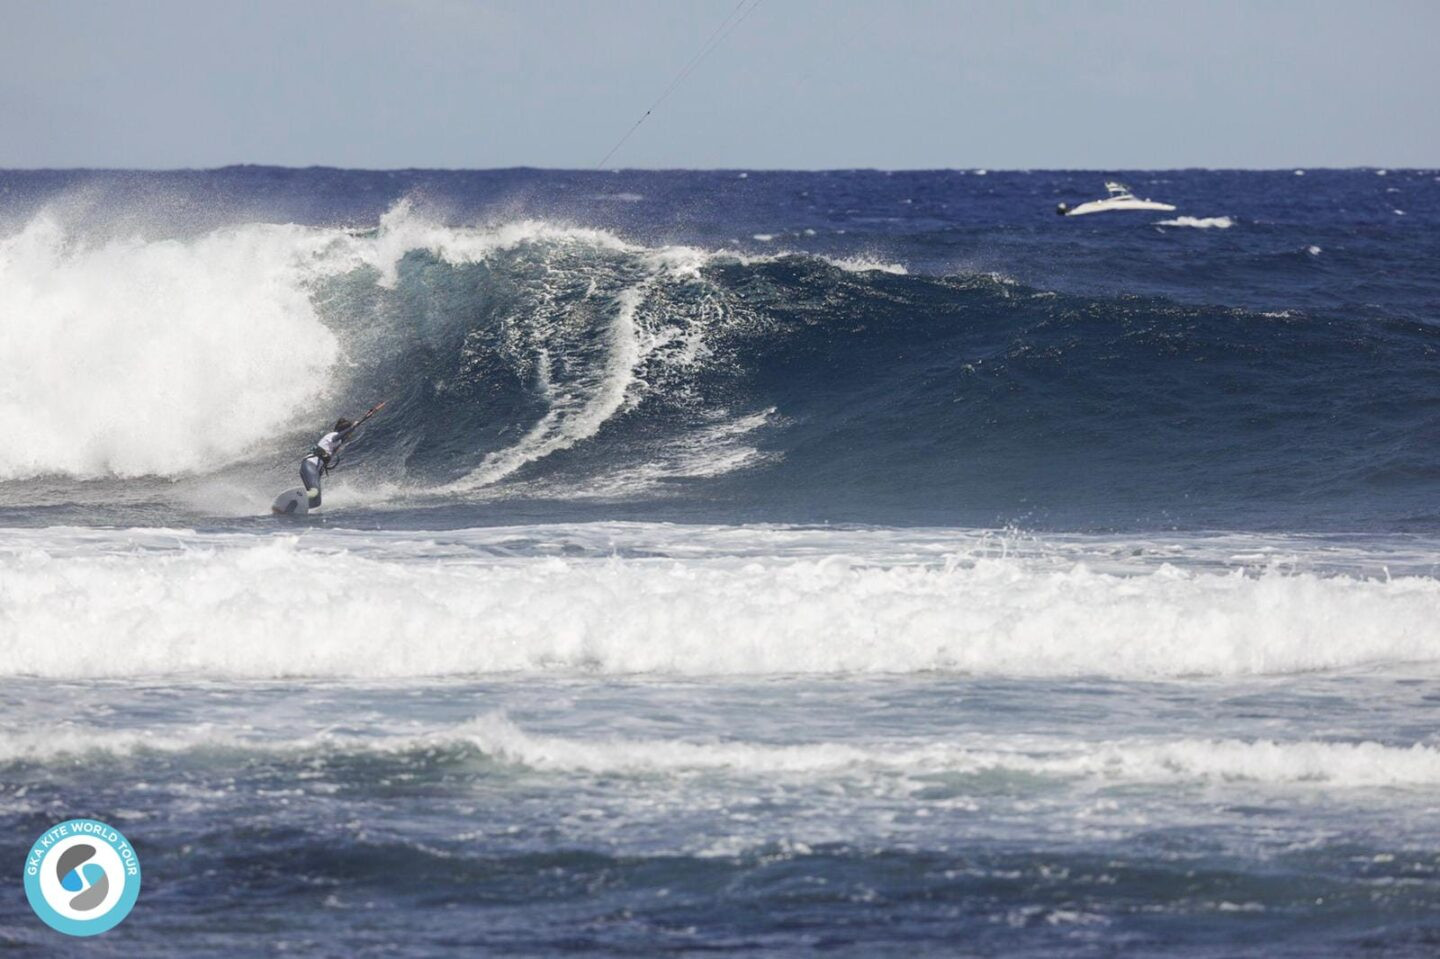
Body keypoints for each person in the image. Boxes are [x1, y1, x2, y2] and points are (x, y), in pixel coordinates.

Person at [300, 403, 384, 509]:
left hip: (315, 469)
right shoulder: (333, 435)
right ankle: (297, 499)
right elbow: (342, 435)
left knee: (317, 501)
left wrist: (365, 418)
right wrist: (354, 426)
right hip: (310, 465)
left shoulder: (339, 440)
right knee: (314, 492)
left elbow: (345, 436)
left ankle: (298, 508)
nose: (349, 435)